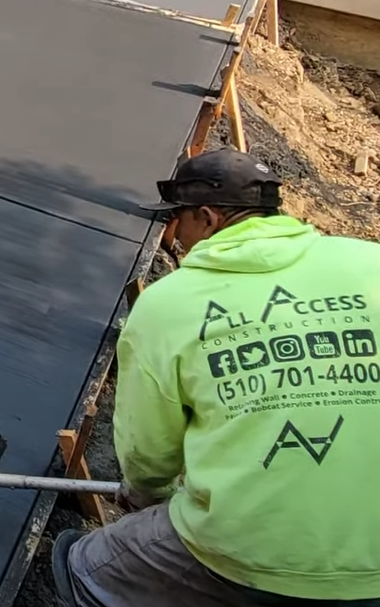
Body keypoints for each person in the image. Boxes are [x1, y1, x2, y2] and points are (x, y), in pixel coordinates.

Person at [52, 149, 380, 606]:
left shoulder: (170, 303)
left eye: (177, 222)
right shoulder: (370, 263)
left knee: (88, 565)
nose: (174, 235)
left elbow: (149, 455)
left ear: (206, 218)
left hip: (255, 555)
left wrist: (147, 495)